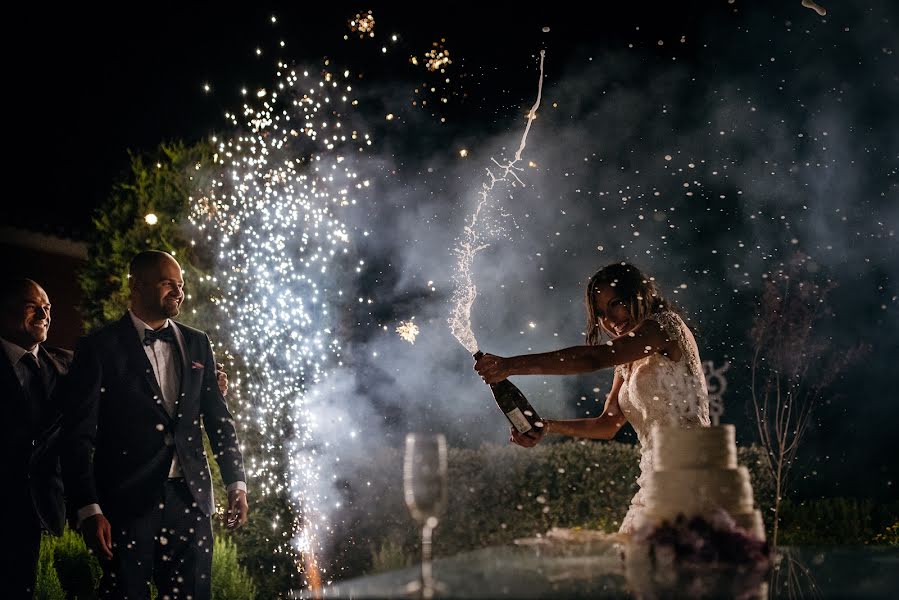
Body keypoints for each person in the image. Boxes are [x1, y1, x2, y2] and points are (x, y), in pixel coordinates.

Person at [60, 250, 248, 599]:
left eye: (181, 285)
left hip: (191, 501)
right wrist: (89, 508)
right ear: (138, 285)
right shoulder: (99, 347)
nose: (178, 292)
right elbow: (78, 435)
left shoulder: (198, 343)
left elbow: (219, 419)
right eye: (167, 284)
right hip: (125, 504)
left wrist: (236, 481)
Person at [475, 262, 710, 535]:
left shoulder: (664, 327)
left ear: (640, 295)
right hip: (653, 480)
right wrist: (545, 426)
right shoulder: (627, 361)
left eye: (617, 303)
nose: (610, 320)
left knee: (659, 567)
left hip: (690, 471)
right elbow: (607, 424)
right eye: (601, 313)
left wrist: (511, 365)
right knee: (635, 567)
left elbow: (594, 357)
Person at [1, 279, 72, 598]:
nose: (44, 313)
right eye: (33, 305)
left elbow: (126, 390)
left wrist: (205, 383)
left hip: (50, 517)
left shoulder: (69, 365)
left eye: (48, 307)